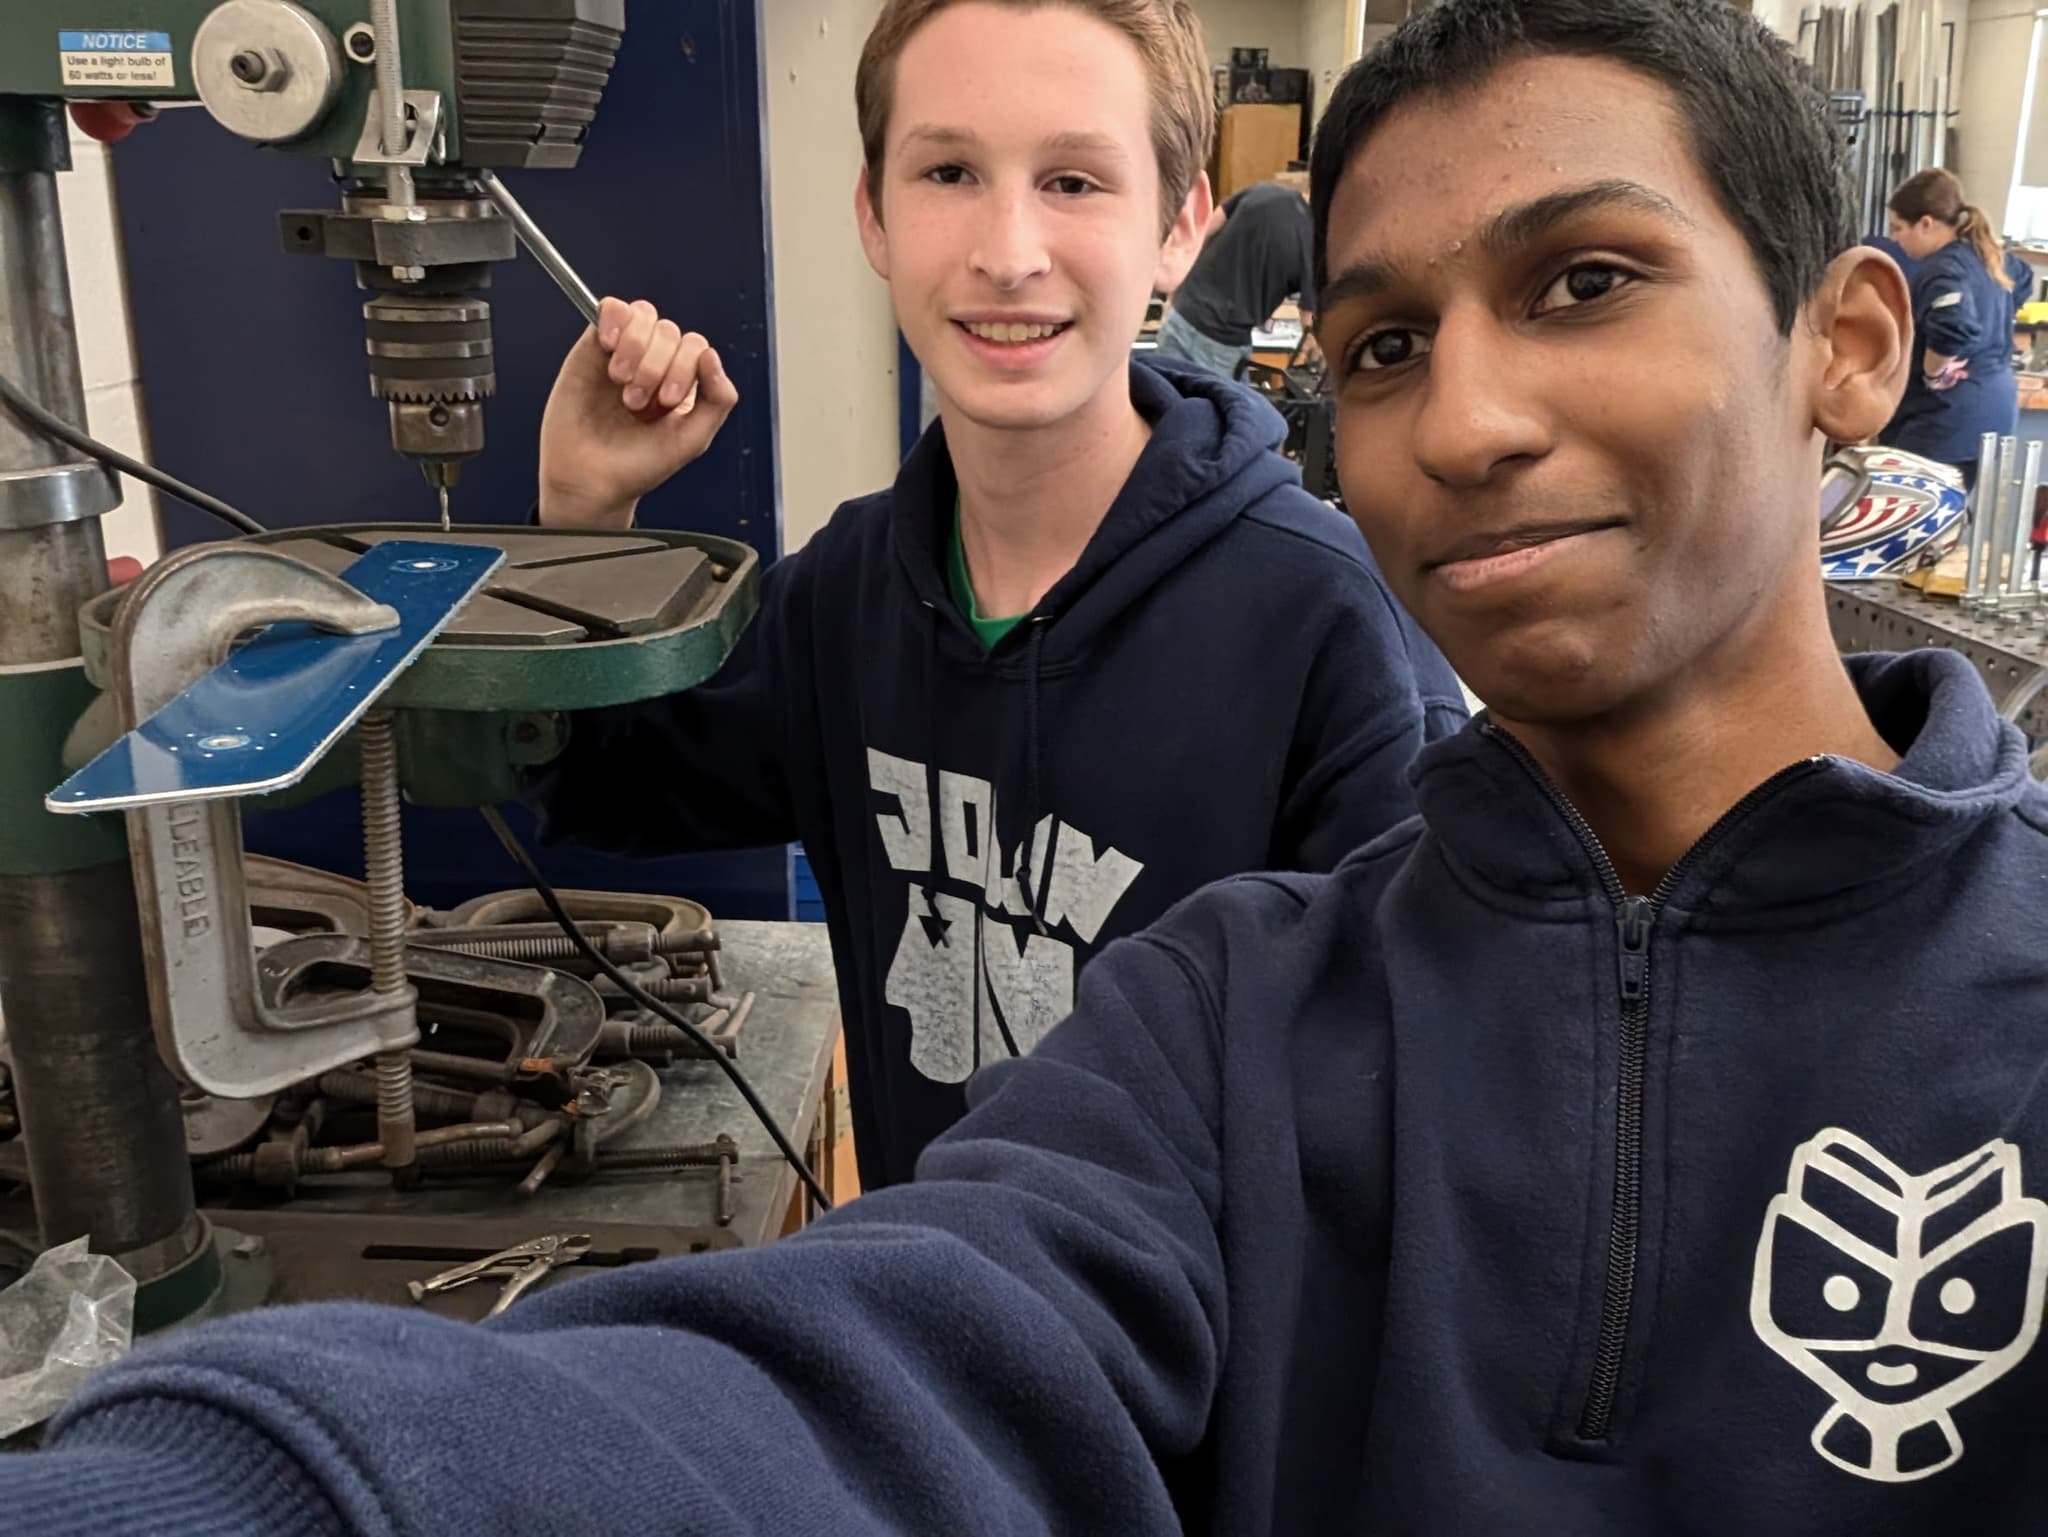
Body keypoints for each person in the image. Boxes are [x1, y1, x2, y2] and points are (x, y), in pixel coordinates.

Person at [13, 0, 2048, 1530]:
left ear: (1847, 342)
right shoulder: (1230, 1006)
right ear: (871, 216)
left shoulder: (1316, 659)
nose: (1476, 415)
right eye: (1385, 346)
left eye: (1581, 282)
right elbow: (911, 1331)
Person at [524, 0, 1464, 1191]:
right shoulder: (849, 592)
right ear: (873, 212)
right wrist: (581, 524)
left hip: (1196, 1361)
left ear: (1180, 226)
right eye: (949, 171)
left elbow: (1399, 1141)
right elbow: (619, 775)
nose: (1007, 250)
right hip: (927, 1312)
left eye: (1073, 180)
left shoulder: (1333, 637)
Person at [1882, 168, 2037, 484]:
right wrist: (1993, 313)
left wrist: (1934, 372)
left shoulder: (1943, 270)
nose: (1894, 239)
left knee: (1909, 511)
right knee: (1949, 514)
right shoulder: (1987, 255)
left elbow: (1953, 328)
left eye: (1898, 228)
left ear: (1926, 223)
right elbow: (2022, 280)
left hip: (1945, 419)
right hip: (1995, 411)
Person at [1152, 169, 1315, 378]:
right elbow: (1309, 325)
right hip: (1220, 340)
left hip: (1182, 313)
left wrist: (1174, 289)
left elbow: (1202, 233)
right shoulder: (1314, 244)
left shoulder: (1262, 191)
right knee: (1225, 407)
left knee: (1164, 398)